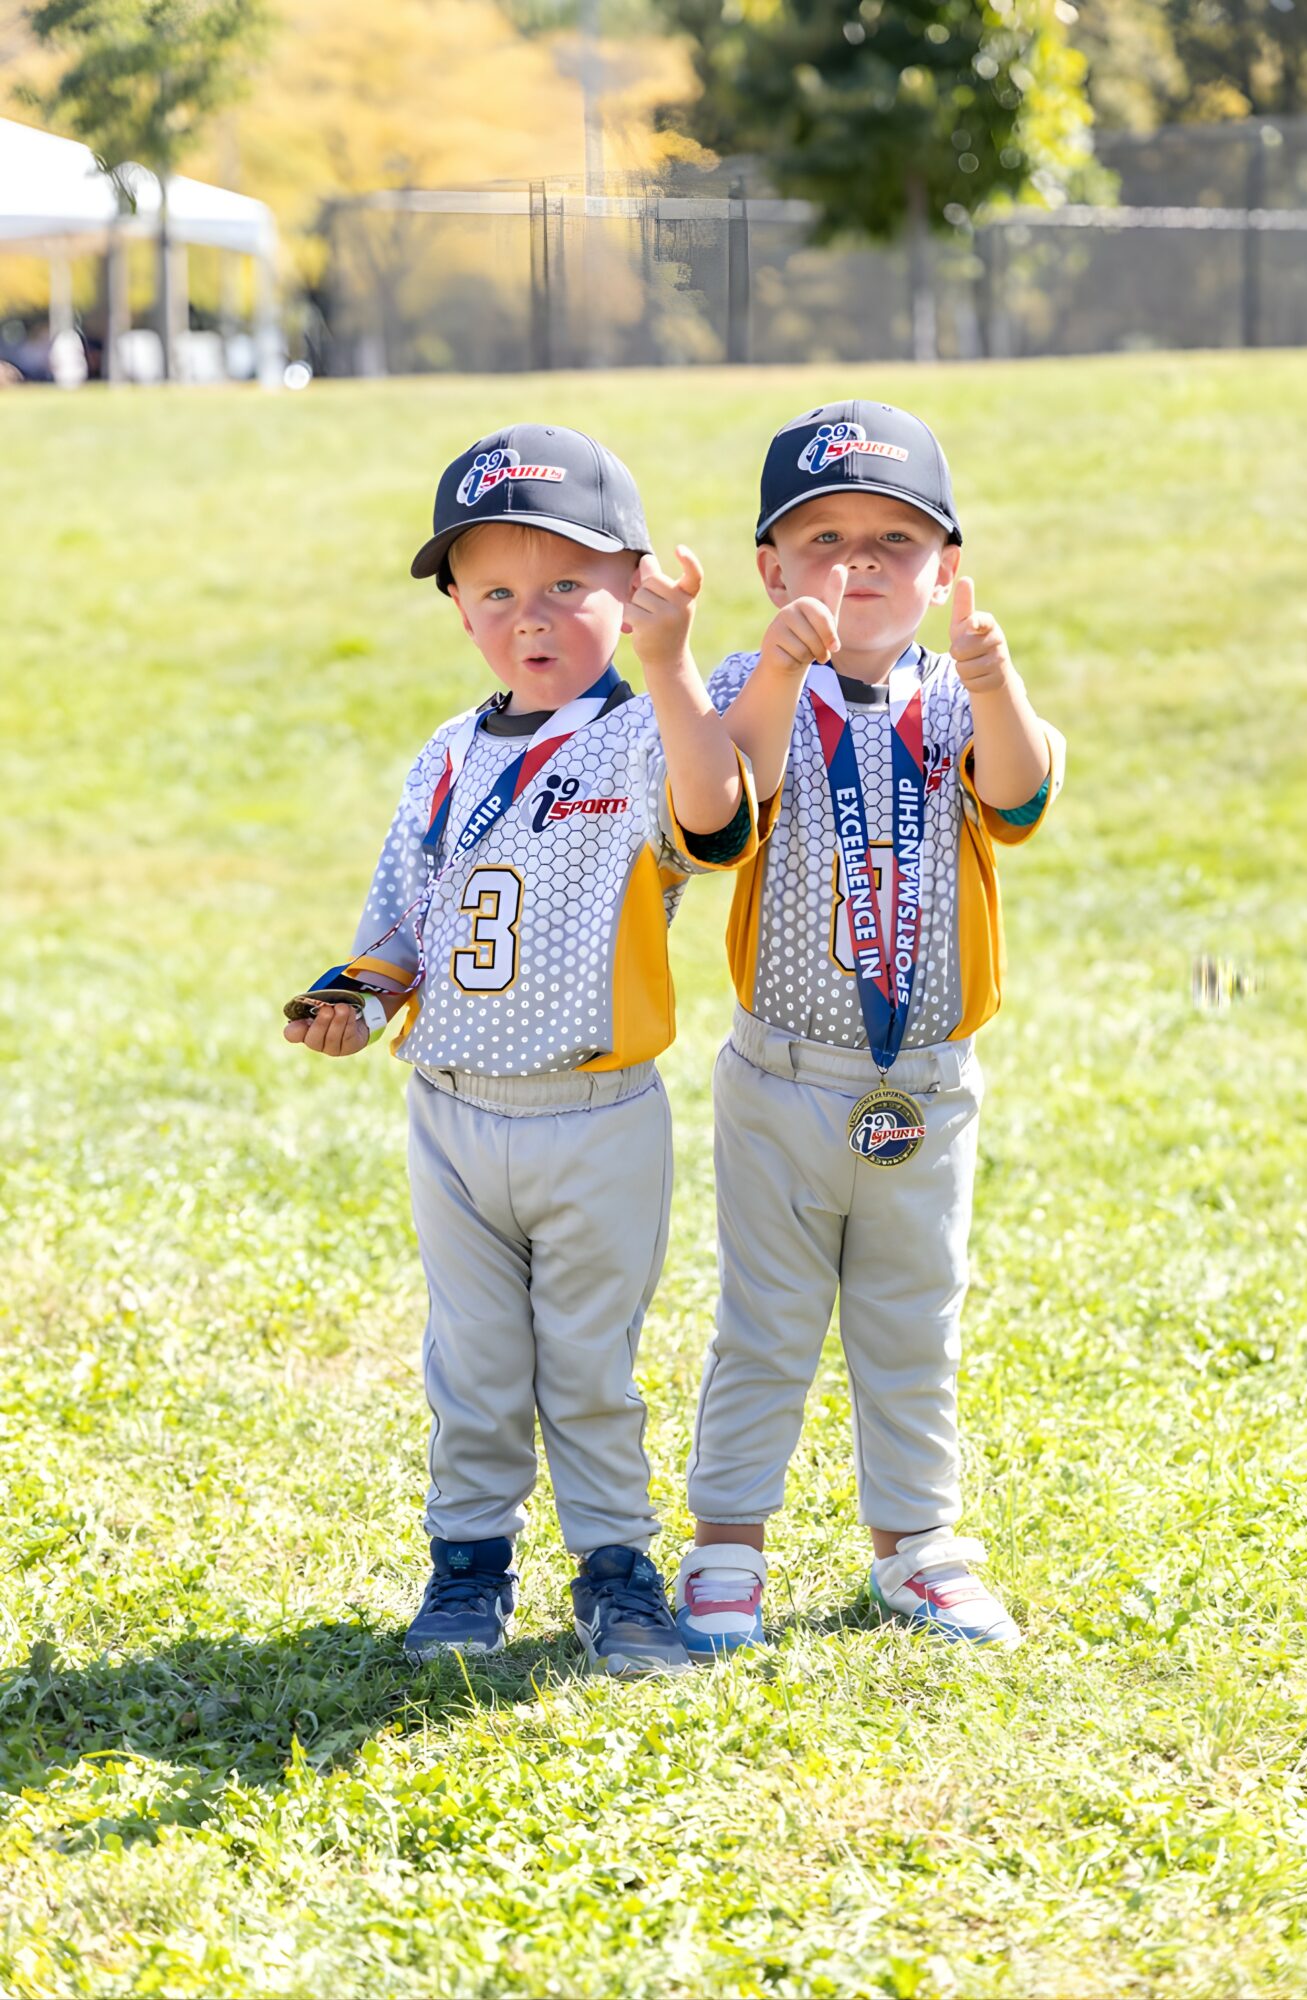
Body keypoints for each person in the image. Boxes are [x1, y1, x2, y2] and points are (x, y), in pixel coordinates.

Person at [284, 424, 756, 1676]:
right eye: (495, 590)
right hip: (450, 1111)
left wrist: (673, 658)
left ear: (634, 583)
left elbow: (715, 814)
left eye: (566, 585)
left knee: (589, 1368)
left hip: (593, 1112)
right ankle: (467, 1564)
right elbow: (402, 917)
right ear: (456, 607)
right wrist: (354, 997)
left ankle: (615, 1567)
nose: (530, 617)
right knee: (476, 1360)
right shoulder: (444, 755)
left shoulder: (650, 725)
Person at [673, 402, 1064, 1654]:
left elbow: (1019, 793)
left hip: (925, 1082)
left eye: (895, 539)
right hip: (783, 1074)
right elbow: (739, 795)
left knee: (912, 1312)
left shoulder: (951, 693)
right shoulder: (748, 681)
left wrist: (999, 684)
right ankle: (726, 1544)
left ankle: (917, 1542)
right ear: (769, 567)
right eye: (824, 537)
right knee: (767, 1318)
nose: (859, 564)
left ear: (945, 565)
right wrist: (784, 666)